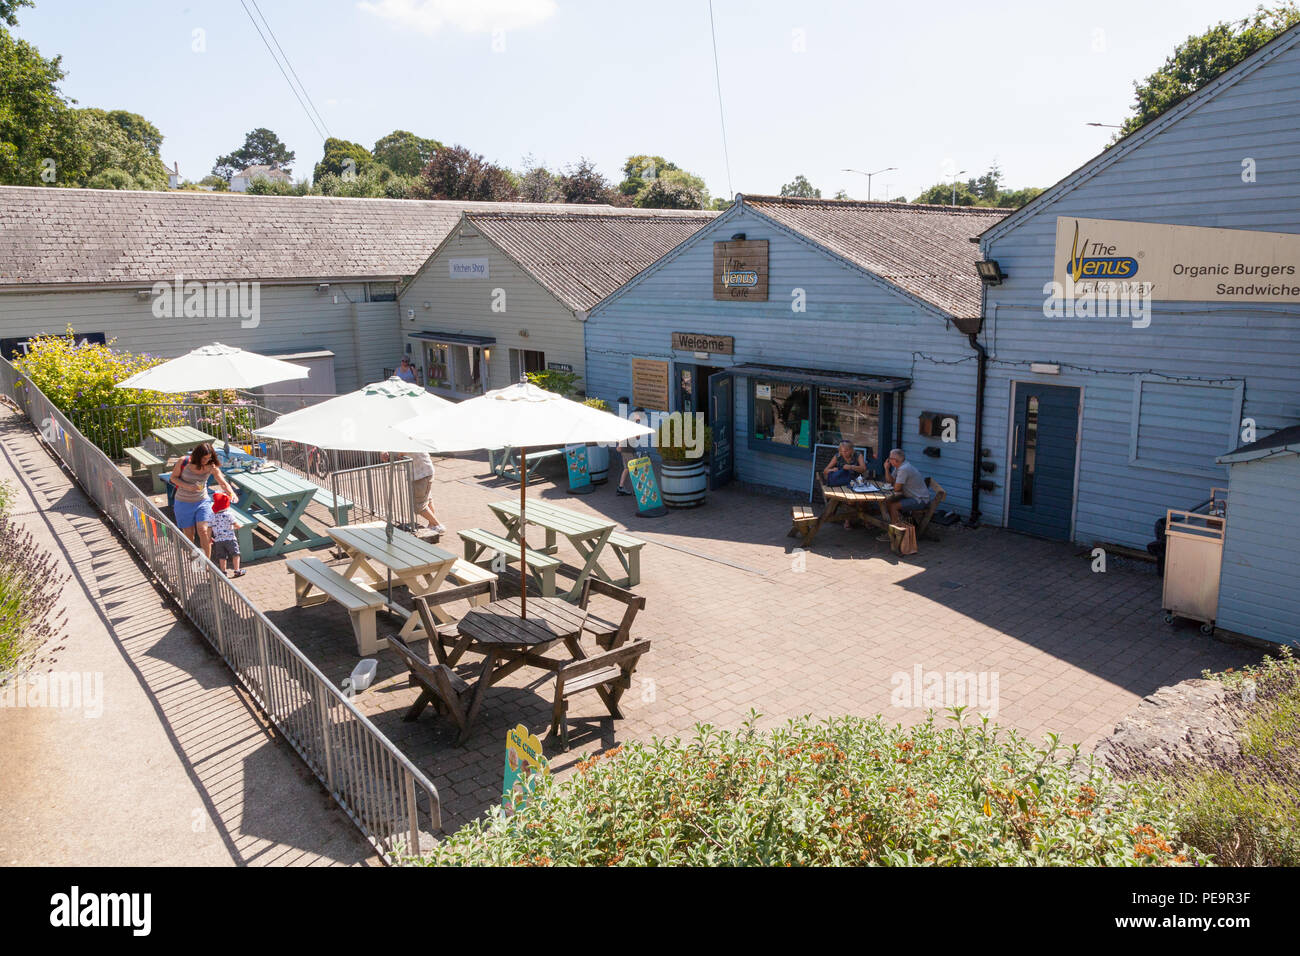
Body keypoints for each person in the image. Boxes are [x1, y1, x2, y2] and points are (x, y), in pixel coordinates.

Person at [169, 442, 235, 557]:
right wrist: (188, 486)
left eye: (209, 458)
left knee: (204, 531)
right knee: (189, 534)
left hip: (202, 501)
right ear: (197, 455)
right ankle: (193, 556)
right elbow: (173, 478)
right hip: (183, 502)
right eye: (204, 458)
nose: (206, 461)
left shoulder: (211, 466)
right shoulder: (184, 461)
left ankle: (207, 563)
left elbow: (222, 482)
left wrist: (231, 493)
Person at [385, 450, 444, 532]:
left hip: (420, 475)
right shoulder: (415, 438)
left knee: (419, 506)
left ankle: (438, 525)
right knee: (428, 500)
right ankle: (432, 525)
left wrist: (386, 451)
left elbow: (400, 453)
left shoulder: (406, 441)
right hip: (427, 471)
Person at [881, 447, 930, 540]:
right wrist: (886, 469)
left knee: (893, 506)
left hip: (919, 500)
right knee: (888, 502)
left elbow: (896, 488)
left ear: (895, 460)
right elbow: (890, 481)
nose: (888, 460)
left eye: (890, 458)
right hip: (910, 496)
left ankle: (894, 534)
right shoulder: (899, 466)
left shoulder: (904, 469)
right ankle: (898, 524)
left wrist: (893, 483)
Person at [823, 440, 867, 529]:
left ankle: (865, 519)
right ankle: (847, 520)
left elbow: (863, 469)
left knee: (863, 500)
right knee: (850, 500)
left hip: (856, 481)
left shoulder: (858, 455)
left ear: (851, 450)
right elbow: (825, 470)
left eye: (846, 451)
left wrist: (851, 467)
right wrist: (832, 470)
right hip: (842, 482)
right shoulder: (837, 456)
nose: (844, 453)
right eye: (842, 451)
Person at [208, 491, 244, 578]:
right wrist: (240, 526)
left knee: (222, 556)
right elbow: (236, 525)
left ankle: (223, 572)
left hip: (218, 540)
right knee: (235, 554)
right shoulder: (229, 514)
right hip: (230, 539)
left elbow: (209, 528)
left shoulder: (212, 515)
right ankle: (237, 570)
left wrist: (209, 538)